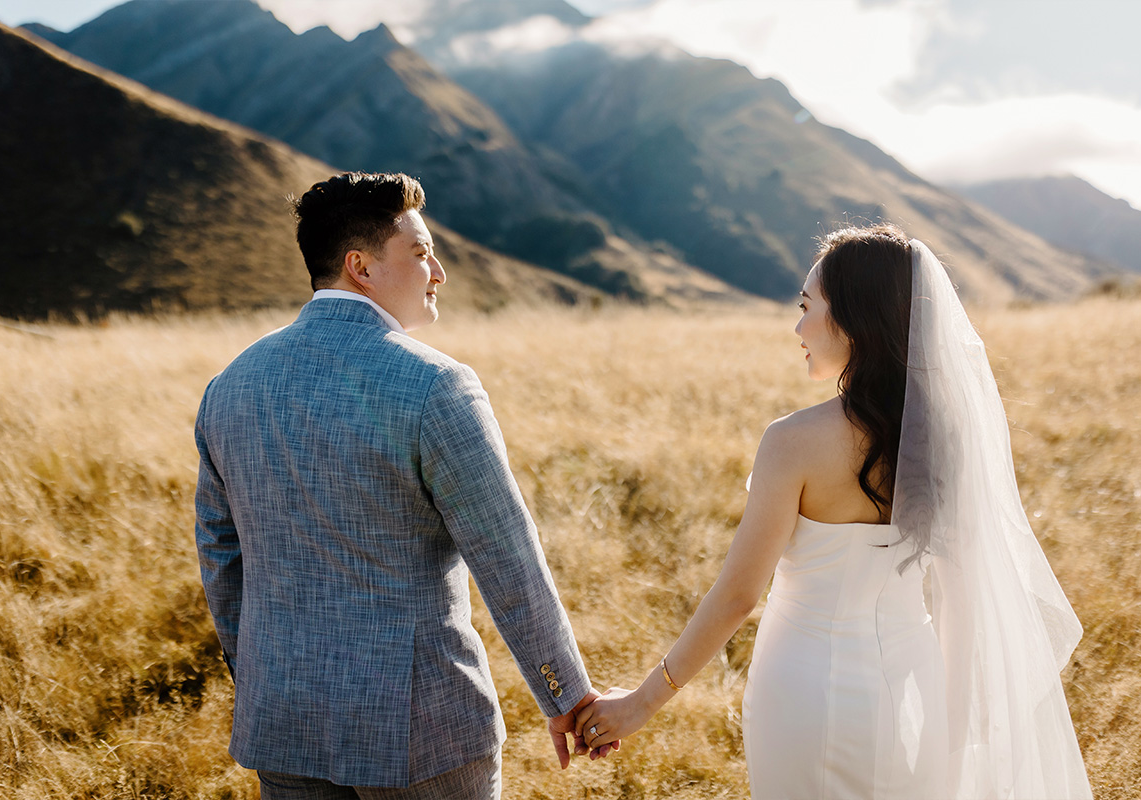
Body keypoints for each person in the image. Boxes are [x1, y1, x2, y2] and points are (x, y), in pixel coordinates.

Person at [575, 224, 1093, 799]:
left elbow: (738, 596)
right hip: (916, 688)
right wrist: (952, 732)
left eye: (806, 306)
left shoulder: (792, 441)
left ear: (851, 318)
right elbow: (965, 595)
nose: (797, 327)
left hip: (804, 693)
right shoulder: (948, 441)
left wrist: (640, 703)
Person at [194, 171, 612, 800]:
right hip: (422, 732)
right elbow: (508, 557)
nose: (438, 271)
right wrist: (566, 697)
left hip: (283, 720)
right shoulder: (438, 385)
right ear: (360, 266)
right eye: (419, 253)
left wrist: (262, 678)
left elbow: (221, 558)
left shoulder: (229, 386)